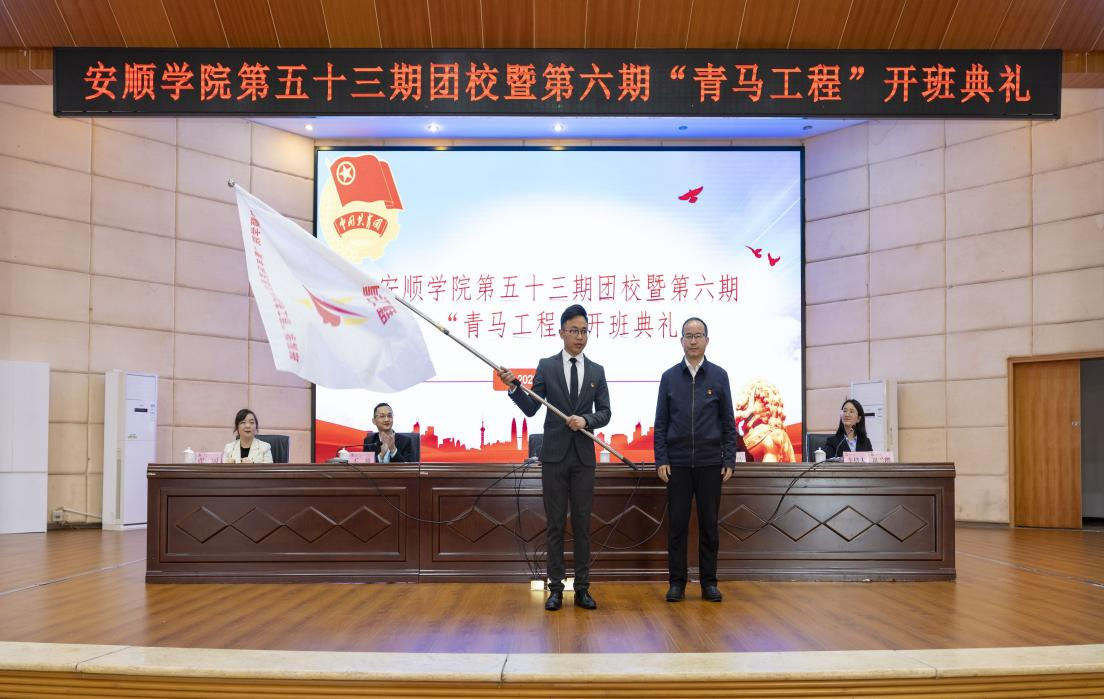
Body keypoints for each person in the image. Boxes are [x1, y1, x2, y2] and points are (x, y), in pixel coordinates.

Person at [498, 304, 611, 612]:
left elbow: (605, 413)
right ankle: (556, 589)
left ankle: (583, 588)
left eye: (584, 331)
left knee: (583, 525)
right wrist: (514, 388)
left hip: (583, 458)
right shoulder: (546, 366)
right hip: (554, 458)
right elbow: (531, 408)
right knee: (556, 525)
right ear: (561, 332)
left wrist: (586, 420)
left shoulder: (597, 370)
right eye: (574, 331)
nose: (580, 336)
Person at [654, 318, 738, 603]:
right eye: (688, 336)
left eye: (698, 335)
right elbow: (661, 423)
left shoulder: (719, 376)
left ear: (706, 340)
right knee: (677, 526)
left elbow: (728, 422)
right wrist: (661, 459)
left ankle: (709, 583)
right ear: (681, 341)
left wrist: (729, 458)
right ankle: (676, 583)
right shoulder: (669, 377)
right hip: (676, 464)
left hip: (710, 463)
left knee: (709, 526)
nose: (693, 341)